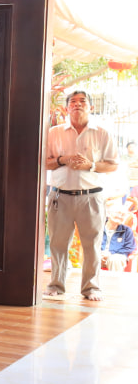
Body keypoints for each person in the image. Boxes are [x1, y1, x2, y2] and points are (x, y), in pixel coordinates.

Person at [45, 90, 119, 301]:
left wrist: (91, 165)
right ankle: (56, 285)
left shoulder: (102, 133)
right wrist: (63, 160)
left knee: (92, 244)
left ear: (91, 107)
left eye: (82, 102)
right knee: (58, 243)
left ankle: (91, 288)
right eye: (73, 102)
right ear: (66, 108)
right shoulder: (54, 132)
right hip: (60, 196)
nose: (77, 104)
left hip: (91, 197)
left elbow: (112, 165)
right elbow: (44, 162)